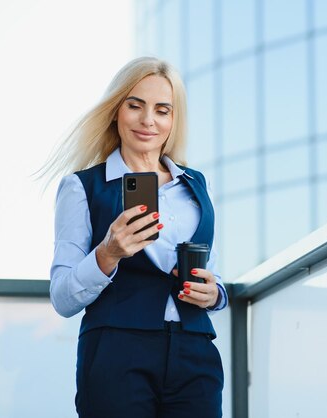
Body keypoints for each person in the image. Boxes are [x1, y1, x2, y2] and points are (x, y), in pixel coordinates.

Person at [43, 57, 227, 418]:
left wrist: (215, 294)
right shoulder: (82, 187)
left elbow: (214, 271)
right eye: (135, 105)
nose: (148, 120)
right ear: (116, 111)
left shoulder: (195, 185)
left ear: (174, 121)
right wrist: (107, 255)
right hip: (116, 352)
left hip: (195, 352)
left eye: (162, 110)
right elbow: (62, 298)